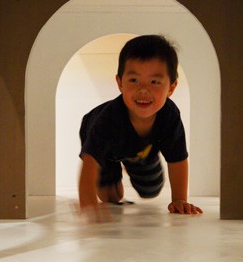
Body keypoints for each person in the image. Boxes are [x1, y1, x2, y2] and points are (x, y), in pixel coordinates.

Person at [78, 34, 203, 216]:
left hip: (141, 148)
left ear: (171, 88)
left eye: (154, 82)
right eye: (134, 80)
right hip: (105, 148)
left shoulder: (169, 115)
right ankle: (117, 165)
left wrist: (179, 199)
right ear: (120, 83)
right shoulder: (107, 119)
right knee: (111, 196)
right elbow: (90, 164)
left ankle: (137, 158)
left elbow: (177, 158)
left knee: (151, 190)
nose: (143, 89)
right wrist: (88, 207)